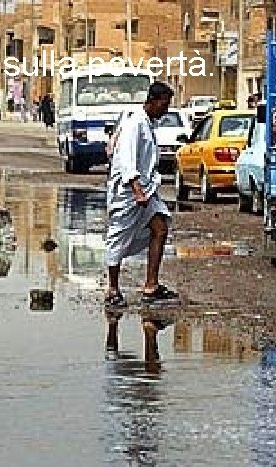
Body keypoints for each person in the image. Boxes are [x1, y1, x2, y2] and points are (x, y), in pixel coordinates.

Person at [105, 81, 179, 308]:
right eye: (164, 105)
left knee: (160, 228)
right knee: (118, 237)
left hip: (147, 189)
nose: (166, 110)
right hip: (129, 192)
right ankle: (112, 289)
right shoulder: (134, 124)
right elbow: (127, 160)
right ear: (154, 101)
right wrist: (137, 190)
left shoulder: (146, 123)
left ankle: (151, 285)